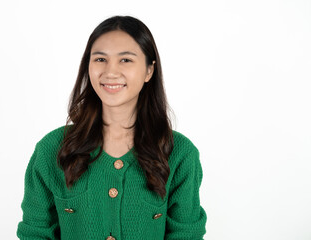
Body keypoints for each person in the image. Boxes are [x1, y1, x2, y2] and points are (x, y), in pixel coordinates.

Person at [17, 15, 207, 240]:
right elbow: (35, 233)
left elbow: (186, 234)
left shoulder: (180, 153)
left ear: (149, 70)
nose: (110, 72)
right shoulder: (52, 149)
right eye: (100, 59)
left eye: (126, 60)